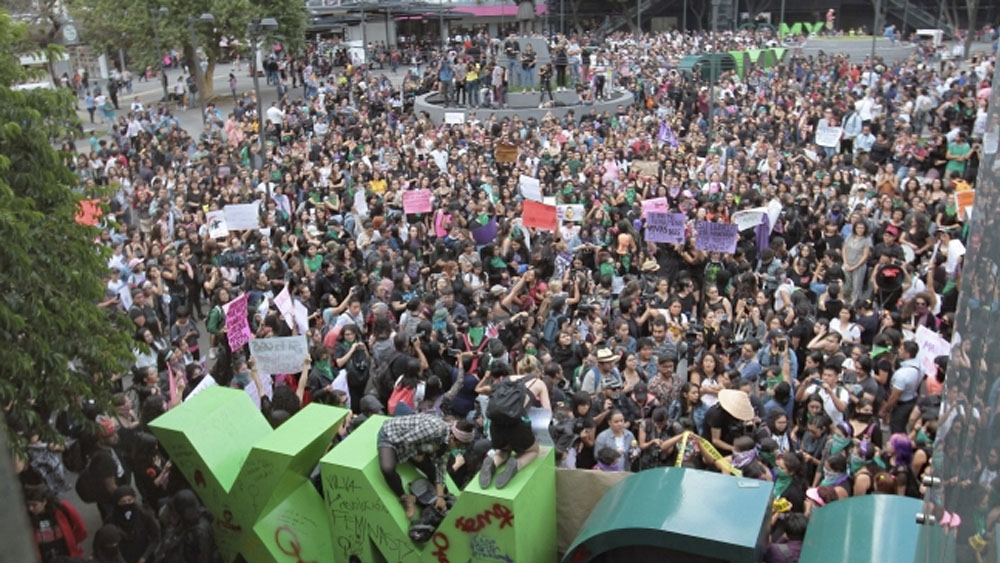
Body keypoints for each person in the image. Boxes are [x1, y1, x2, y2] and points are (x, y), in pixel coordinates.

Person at [377, 413, 473, 517]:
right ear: (452, 437)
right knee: (387, 469)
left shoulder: (447, 443)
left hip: (416, 444)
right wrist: (417, 455)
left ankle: (446, 498)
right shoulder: (435, 429)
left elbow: (440, 470)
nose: (458, 449)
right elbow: (406, 440)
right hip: (393, 437)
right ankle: (405, 498)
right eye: (459, 446)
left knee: (432, 471)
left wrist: (440, 496)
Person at [478, 359, 550, 489]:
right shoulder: (538, 383)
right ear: (537, 370)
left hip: (496, 424)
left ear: (519, 369)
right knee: (533, 451)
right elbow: (547, 412)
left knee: (503, 450)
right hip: (517, 425)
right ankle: (516, 464)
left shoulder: (507, 379)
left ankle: (493, 463)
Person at [25, 483, 88, 562]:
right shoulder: (28, 517)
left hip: (67, 555)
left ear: (44, 501)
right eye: (29, 505)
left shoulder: (62, 508)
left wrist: (73, 542)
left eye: (34, 505)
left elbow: (81, 529)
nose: (30, 508)